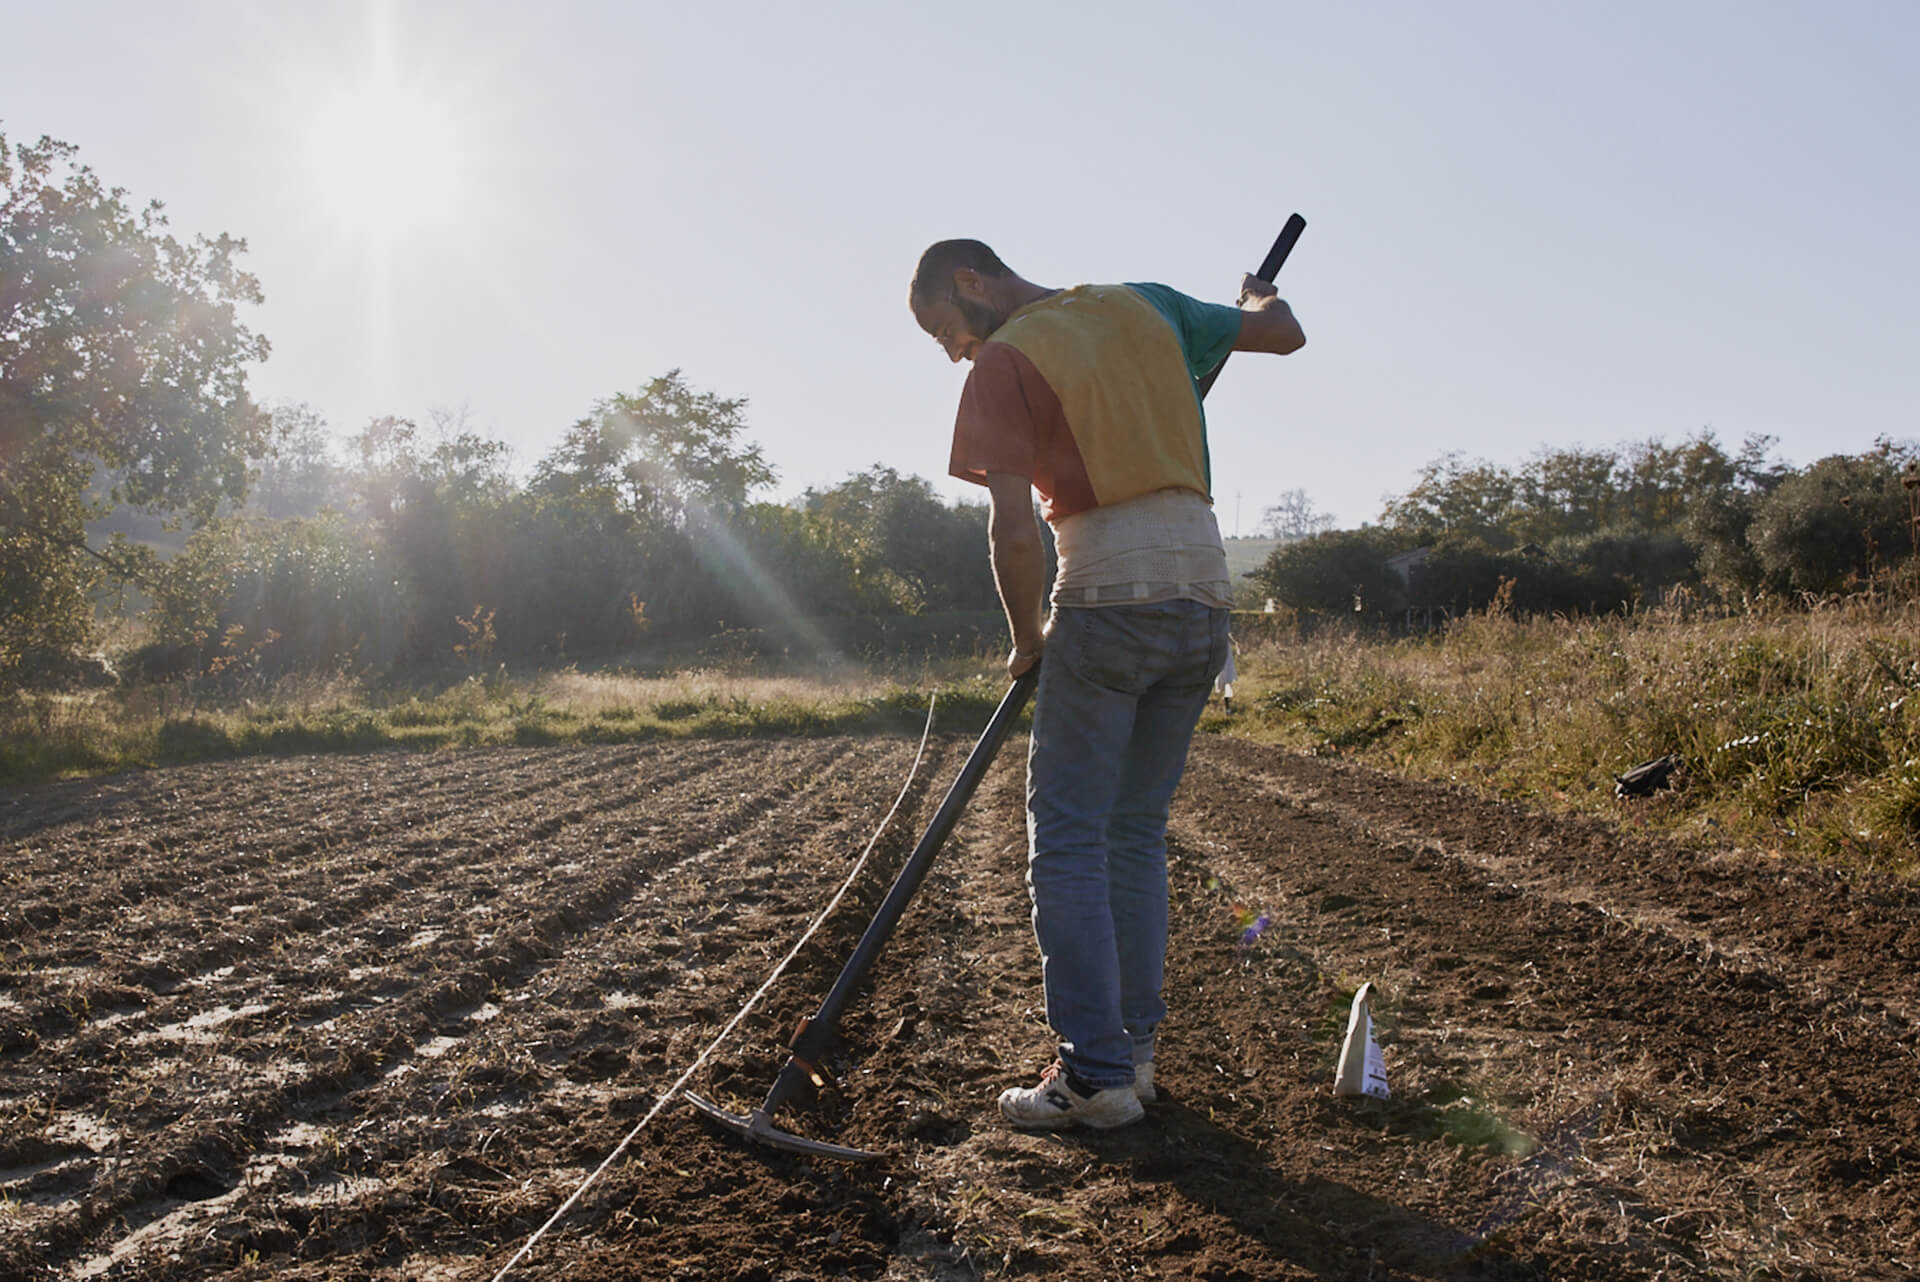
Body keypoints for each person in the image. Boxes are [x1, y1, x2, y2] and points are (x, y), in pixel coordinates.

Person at [909, 240, 1304, 1130]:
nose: (957, 353)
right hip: (1205, 599)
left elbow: (1014, 531)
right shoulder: (1149, 306)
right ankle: (1135, 1056)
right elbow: (1281, 334)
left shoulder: (1009, 357)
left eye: (947, 332)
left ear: (971, 281)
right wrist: (1249, 301)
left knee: (1071, 842)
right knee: (1133, 834)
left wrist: (1025, 641)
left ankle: (1093, 1076)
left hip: (1106, 595)